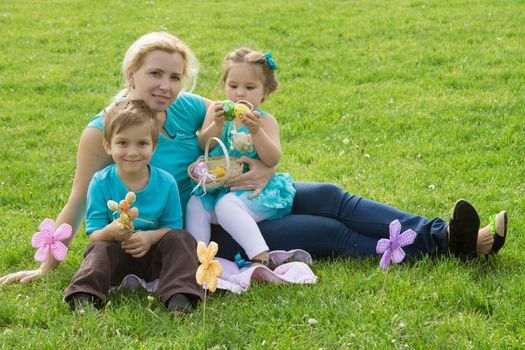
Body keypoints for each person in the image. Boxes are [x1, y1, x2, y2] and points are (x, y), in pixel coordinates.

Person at [0, 32, 508, 285]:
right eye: (155, 74)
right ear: (131, 73)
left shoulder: (190, 108)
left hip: (248, 194)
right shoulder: (103, 131)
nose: (165, 85)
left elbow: (248, 129)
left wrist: (260, 170)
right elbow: (77, 199)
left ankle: (446, 235)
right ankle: (441, 250)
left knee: (329, 195)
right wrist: (46, 267)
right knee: (324, 233)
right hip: (205, 225)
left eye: (175, 77)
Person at [64, 99, 203, 313]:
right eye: (123, 143)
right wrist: (111, 231)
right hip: (116, 258)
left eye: (142, 143)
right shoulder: (101, 182)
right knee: (99, 248)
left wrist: (149, 237)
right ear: (108, 146)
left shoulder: (166, 182)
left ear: (154, 146)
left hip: (155, 259)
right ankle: (85, 295)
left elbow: (172, 227)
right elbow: (94, 234)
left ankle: (180, 296)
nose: (132, 152)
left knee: (182, 239)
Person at [186, 48, 295, 268]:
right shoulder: (216, 113)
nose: (240, 94)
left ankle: (260, 257)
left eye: (250, 87)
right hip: (219, 183)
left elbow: (272, 158)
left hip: (252, 188)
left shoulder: (264, 121)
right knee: (196, 203)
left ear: (265, 92)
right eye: (233, 86)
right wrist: (216, 125)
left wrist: (256, 132)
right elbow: (203, 144)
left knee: (226, 206)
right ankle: (198, 260)